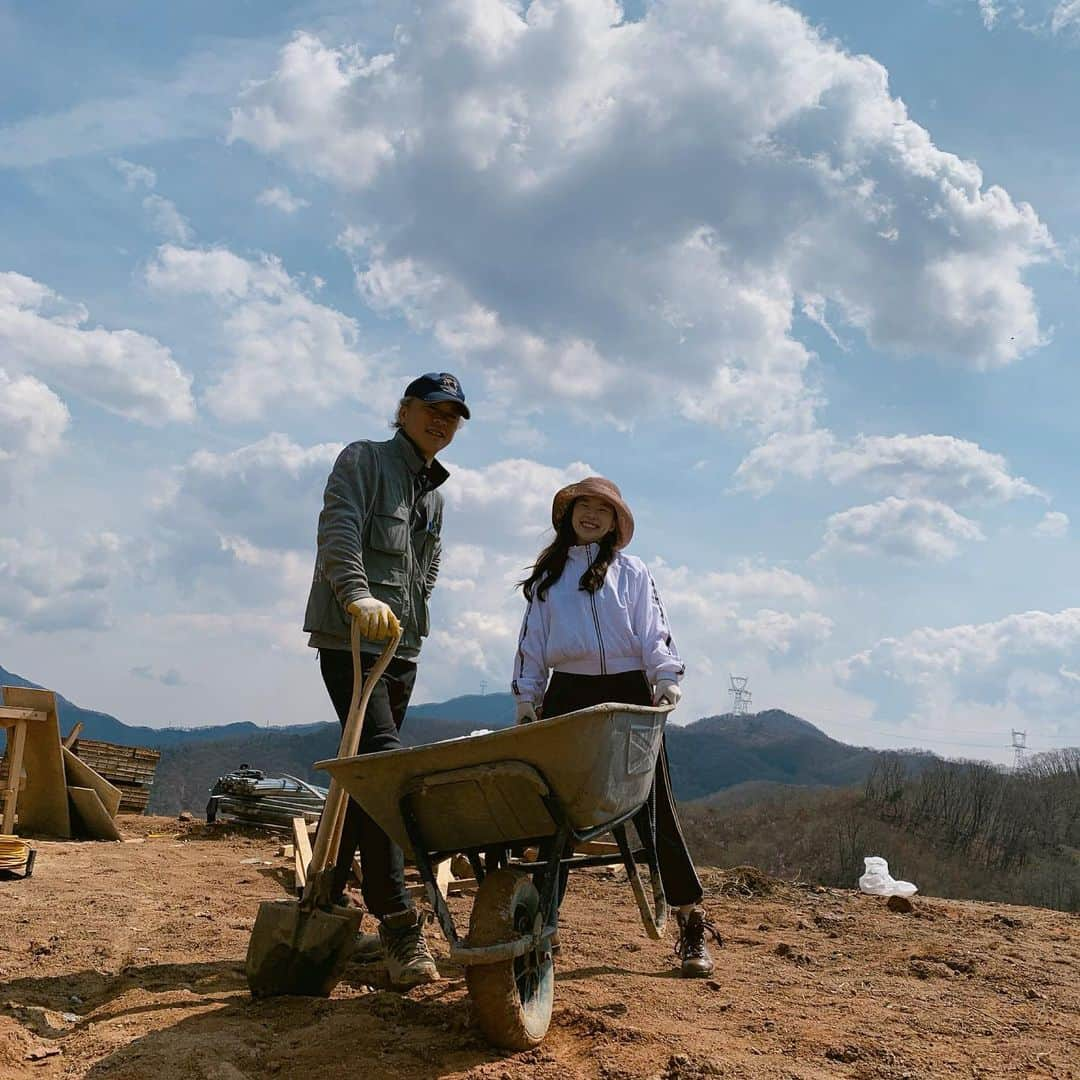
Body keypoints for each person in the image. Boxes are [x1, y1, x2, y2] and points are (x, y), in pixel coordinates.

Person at [511, 476, 720, 977]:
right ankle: (540, 926)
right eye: (583, 506)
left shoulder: (632, 572)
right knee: (556, 813)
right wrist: (526, 696)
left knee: (653, 808)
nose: (591, 515)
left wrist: (665, 675)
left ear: (614, 523)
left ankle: (691, 922)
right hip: (568, 695)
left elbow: (654, 628)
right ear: (568, 514)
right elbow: (532, 642)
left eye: (602, 511)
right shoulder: (548, 579)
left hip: (629, 694)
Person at [303, 371, 469, 988]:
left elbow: (431, 560)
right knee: (385, 768)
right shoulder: (364, 460)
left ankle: (323, 904)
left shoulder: (434, 491)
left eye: (452, 417)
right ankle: (398, 922)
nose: (441, 422)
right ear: (403, 410)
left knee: (364, 775)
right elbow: (338, 526)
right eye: (431, 410)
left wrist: (417, 610)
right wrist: (356, 594)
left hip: (402, 650)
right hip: (349, 640)